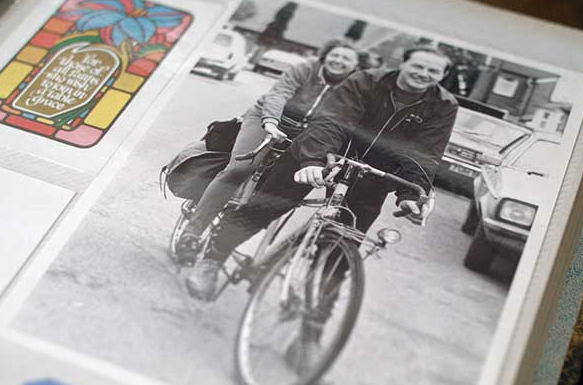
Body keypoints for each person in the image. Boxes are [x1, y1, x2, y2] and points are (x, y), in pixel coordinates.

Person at [186, 45, 459, 300]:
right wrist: (312, 161)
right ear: (404, 63)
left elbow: (426, 152)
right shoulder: (366, 81)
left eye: (433, 71)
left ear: (443, 76)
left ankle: (315, 320)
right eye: (418, 66)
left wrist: (411, 193)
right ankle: (213, 258)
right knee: (265, 206)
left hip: (372, 173)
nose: (423, 74)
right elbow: (332, 122)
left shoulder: (444, 105)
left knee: (345, 242)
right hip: (320, 152)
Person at [175, 39, 361, 261]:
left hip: (307, 134)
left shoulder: (352, 87)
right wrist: (271, 122)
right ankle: (192, 232)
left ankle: (234, 235)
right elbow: (279, 94)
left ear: (355, 66)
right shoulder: (305, 69)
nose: (338, 61)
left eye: (346, 58)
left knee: (280, 187)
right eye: (335, 55)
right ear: (325, 55)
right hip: (266, 118)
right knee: (240, 169)